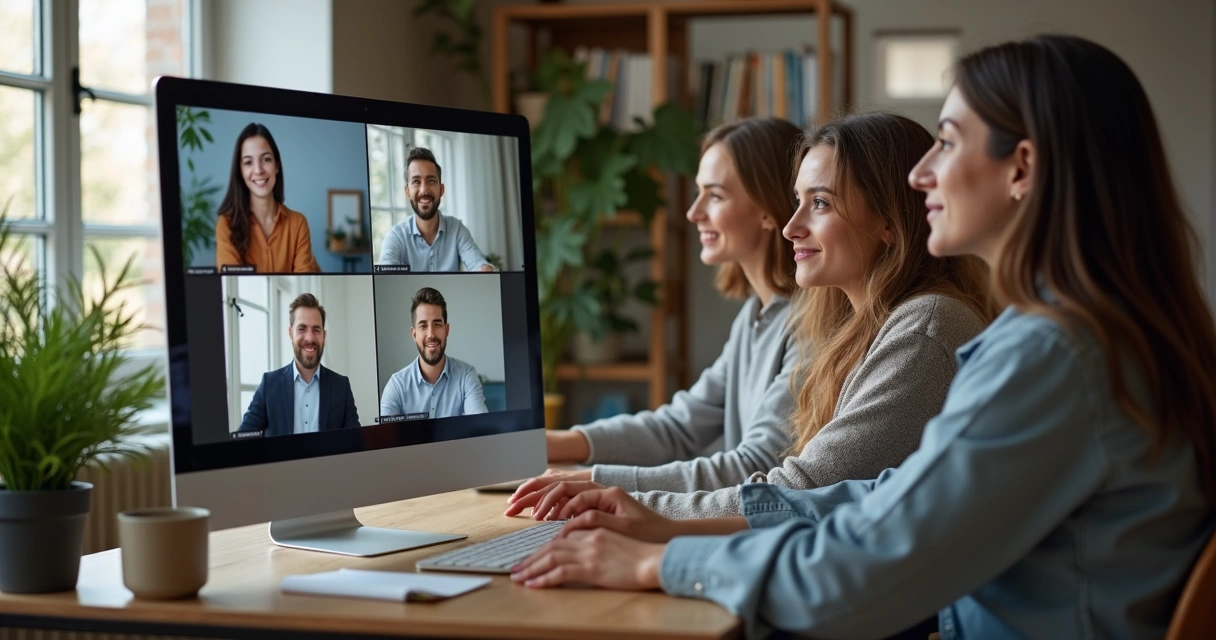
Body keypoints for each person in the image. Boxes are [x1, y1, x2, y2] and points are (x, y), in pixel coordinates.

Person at [509, 35, 1216, 640]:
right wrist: (664, 525)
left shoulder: (1051, 353)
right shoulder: (1091, 334)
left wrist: (658, 562)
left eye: (946, 142)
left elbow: (868, 567)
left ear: (1021, 168)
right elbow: (886, 497)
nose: (921, 174)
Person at [508, 113, 992, 524]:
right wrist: (575, 466)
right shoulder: (846, 323)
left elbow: (797, 488)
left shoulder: (921, 327)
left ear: (890, 220)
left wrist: (617, 497)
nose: (791, 225)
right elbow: (685, 426)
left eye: (819, 203)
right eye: (798, 201)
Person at [526, 118, 803, 495]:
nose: (693, 212)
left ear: (768, 209)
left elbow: (758, 465)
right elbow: (678, 427)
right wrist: (554, 443)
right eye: (698, 192)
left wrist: (592, 481)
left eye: (715, 195)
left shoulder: (807, 325)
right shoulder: (754, 317)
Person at [238, 294, 360, 436]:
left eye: (316, 330)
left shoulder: (341, 386)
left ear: (324, 336)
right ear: (291, 333)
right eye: (301, 329)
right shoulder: (269, 385)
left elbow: (356, 441)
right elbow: (243, 440)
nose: (310, 338)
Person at [215, 123, 321, 273]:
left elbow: (305, 277)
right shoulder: (226, 224)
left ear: (277, 165)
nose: (258, 170)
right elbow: (231, 280)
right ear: (240, 171)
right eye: (248, 162)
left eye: (266, 159)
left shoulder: (298, 224)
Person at [377, 147, 495, 272]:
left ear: (441, 190)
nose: (424, 190)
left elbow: (479, 266)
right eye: (416, 182)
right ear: (407, 192)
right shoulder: (396, 236)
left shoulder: (457, 230)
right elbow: (385, 277)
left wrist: (484, 271)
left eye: (431, 181)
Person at [379, 286, 488, 418]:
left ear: (446, 330)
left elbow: (480, 427)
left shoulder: (466, 376)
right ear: (414, 334)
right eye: (423, 326)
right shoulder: (396, 386)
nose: (431, 334)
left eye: (437, 324)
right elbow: (388, 432)